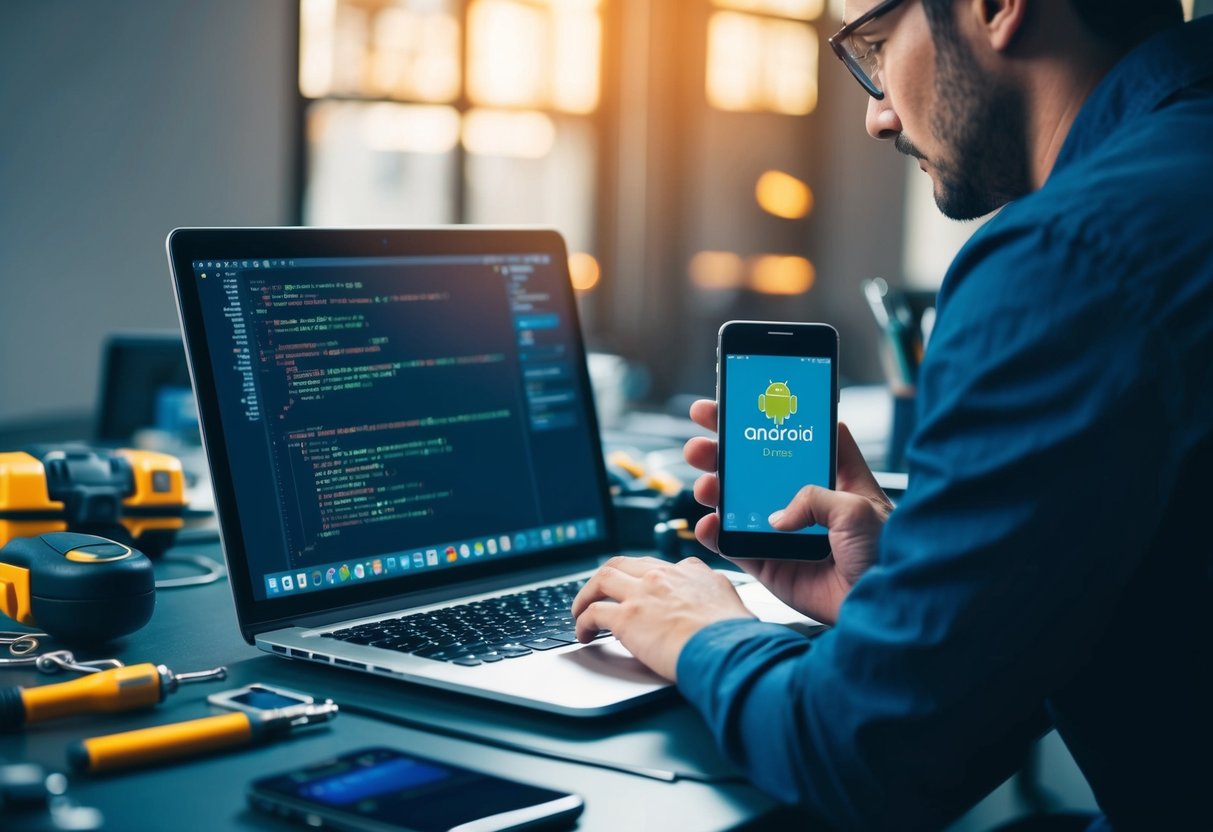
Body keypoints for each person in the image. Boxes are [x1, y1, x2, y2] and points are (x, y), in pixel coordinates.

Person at [572, 0, 1213, 828]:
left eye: (873, 44)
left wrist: (702, 634)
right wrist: (911, 586)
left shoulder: (1066, 256)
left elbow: (869, 754)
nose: (877, 113)